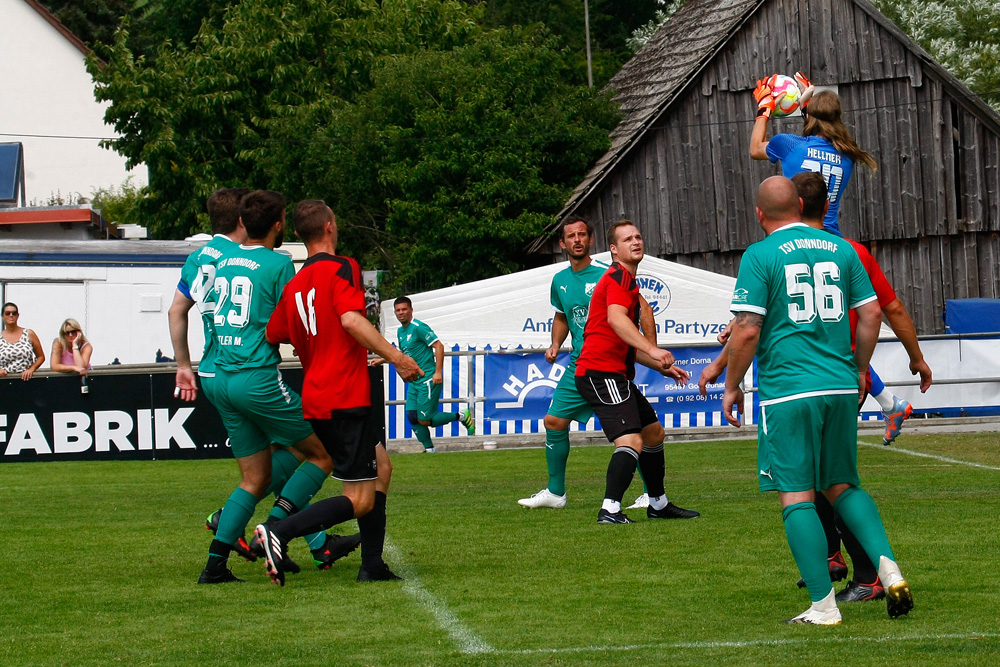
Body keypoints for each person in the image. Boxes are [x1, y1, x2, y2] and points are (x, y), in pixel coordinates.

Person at [701, 172, 933, 604]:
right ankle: (889, 568)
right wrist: (860, 370)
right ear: (803, 208)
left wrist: (731, 384)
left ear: (759, 214)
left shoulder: (759, 254)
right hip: (841, 386)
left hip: (790, 388)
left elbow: (748, 330)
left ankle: (823, 605)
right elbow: (872, 315)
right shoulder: (843, 249)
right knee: (843, 485)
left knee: (796, 496)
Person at [168, 188, 358, 573]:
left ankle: (215, 565)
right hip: (253, 376)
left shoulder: (221, 259)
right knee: (322, 453)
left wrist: (184, 363)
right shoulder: (277, 264)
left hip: (216, 376)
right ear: (278, 224)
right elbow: (286, 325)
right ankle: (276, 530)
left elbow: (187, 307)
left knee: (255, 477)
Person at [253, 200, 423, 586]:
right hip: (346, 396)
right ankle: (279, 530)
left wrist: (308, 340)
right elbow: (349, 319)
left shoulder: (294, 284)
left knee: (382, 468)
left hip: (315, 398)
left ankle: (373, 565)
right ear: (330, 226)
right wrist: (397, 357)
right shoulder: (343, 266)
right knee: (360, 498)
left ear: (298, 234)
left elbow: (273, 333)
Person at [518, 217, 658, 509]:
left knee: (638, 431)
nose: (577, 240)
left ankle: (648, 495)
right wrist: (556, 344)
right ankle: (556, 493)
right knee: (554, 421)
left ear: (591, 241)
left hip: (605, 364)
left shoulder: (608, 273)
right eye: (571, 236)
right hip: (579, 365)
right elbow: (561, 316)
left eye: (583, 234)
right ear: (562, 243)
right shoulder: (560, 281)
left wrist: (652, 350)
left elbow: (643, 309)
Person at [574, 220, 698, 524]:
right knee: (631, 441)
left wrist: (660, 367)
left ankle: (658, 504)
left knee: (653, 433)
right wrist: (654, 350)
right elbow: (617, 321)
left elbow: (623, 340)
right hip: (601, 373)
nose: (636, 242)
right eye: (627, 239)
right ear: (614, 250)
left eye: (639, 237)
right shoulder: (618, 277)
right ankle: (610, 510)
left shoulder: (627, 281)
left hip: (613, 373)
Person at [750, 72, 877, 236]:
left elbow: (755, 149)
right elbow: (816, 148)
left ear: (810, 115)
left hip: (797, 237)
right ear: (838, 117)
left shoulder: (789, 144)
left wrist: (765, 108)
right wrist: (808, 109)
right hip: (831, 237)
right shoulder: (848, 154)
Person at [390, 296, 474, 452]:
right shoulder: (401, 331)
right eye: (398, 310)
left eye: (404, 309)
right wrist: (381, 360)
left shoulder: (418, 327)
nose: (401, 313)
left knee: (424, 420)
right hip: (415, 381)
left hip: (428, 379)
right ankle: (430, 450)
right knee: (412, 416)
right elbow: (403, 352)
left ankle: (462, 415)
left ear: (411, 310)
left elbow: (439, 346)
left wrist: (437, 372)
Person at [0, 303, 45, 380]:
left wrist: (31, 369)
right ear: (2, 316)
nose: (11, 315)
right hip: (5, 382)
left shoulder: (29, 333)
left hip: (27, 380)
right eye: (7, 313)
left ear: (18, 315)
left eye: (14, 313)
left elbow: (41, 357)